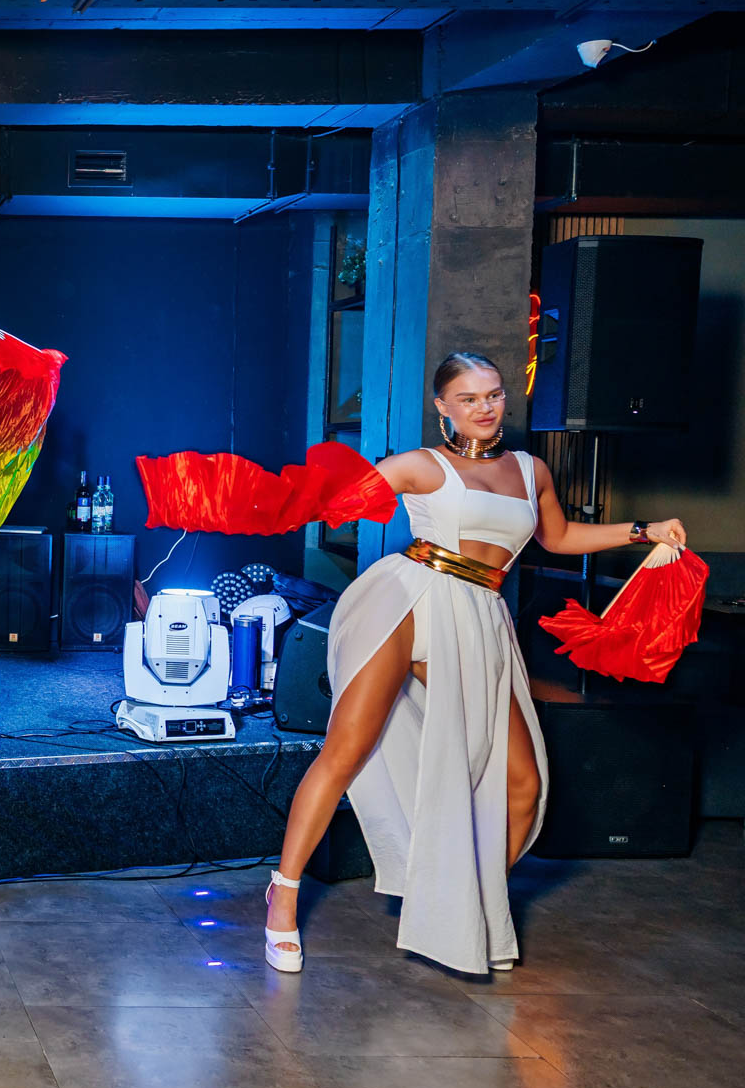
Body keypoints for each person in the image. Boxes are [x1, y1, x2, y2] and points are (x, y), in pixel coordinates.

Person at [260, 352, 687, 975]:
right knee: (347, 750)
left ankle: (457, 904)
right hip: (407, 601)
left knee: (523, 785)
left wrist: (645, 530)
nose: (484, 408)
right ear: (443, 407)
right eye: (468, 398)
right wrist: (266, 501)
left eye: (493, 395)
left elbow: (559, 538)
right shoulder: (421, 465)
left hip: (479, 614)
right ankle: (283, 896)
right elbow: (333, 501)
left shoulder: (530, 469)